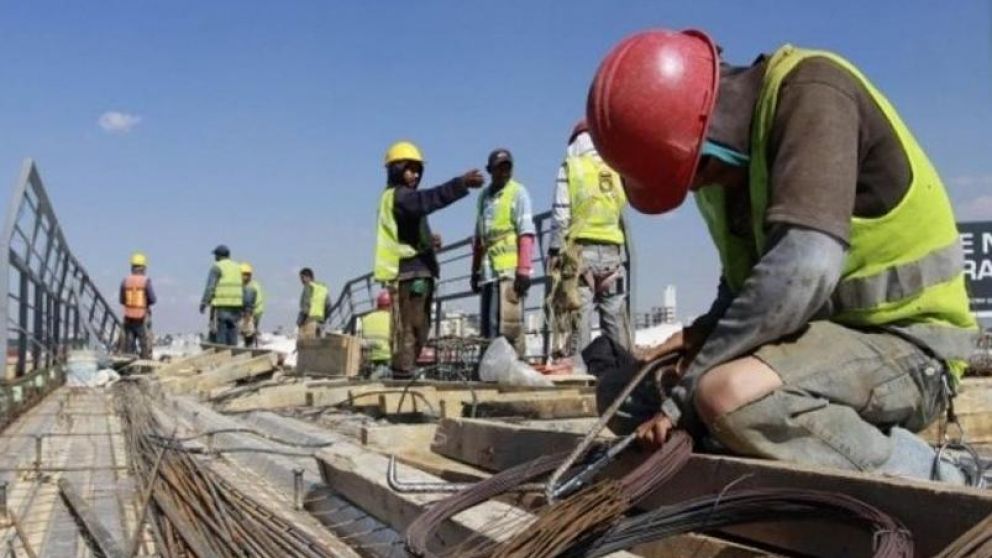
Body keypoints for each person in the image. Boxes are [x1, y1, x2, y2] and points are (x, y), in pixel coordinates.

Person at [586, 29, 980, 484]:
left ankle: (947, 477)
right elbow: (742, 283)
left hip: (907, 347)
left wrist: (686, 394)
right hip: (813, 341)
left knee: (726, 396)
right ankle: (757, 436)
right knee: (622, 396)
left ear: (702, 142)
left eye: (695, 175)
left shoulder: (815, 94)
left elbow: (801, 270)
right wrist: (702, 334)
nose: (698, 187)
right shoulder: (721, 166)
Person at [373, 141, 484, 378]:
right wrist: (460, 184)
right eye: (409, 169)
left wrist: (428, 241)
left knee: (418, 325)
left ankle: (404, 369)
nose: (415, 175)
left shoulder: (397, 198)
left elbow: (405, 232)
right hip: (410, 271)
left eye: (417, 170)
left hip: (412, 269)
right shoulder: (401, 196)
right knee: (412, 325)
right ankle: (404, 372)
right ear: (396, 169)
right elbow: (428, 200)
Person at [548, 120, 632, 364]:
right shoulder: (615, 168)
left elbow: (561, 213)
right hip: (613, 255)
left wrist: (555, 249)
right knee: (615, 318)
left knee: (579, 317)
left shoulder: (571, 167)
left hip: (580, 255)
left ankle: (582, 372)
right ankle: (624, 371)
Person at [471, 149, 536, 357]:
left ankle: (510, 365)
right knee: (488, 327)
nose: (504, 172)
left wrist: (523, 270)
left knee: (508, 325)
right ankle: (489, 365)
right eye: (499, 168)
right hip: (488, 271)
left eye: (508, 168)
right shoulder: (483, 197)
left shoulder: (518, 192)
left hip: (509, 273)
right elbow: (479, 237)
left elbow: (526, 232)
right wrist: (475, 270)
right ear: (490, 170)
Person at [199, 245, 244, 346]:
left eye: (215, 255)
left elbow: (210, 287)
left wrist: (204, 302)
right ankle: (233, 352)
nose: (215, 258)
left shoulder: (217, 267)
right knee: (232, 333)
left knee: (221, 335)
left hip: (222, 305)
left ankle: (223, 353)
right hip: (236, 306)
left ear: (219, 256)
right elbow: (242, 286)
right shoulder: (238, 267)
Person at [119, 252, 156, 358]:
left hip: (128, 317)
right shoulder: (146, 281)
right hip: (142, 317)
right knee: (145, 342)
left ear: (132, 267)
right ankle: (146, 361)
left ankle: (128, 361)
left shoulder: (125, 281)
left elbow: (121, 300)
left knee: (128, 343)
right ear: (143, 268)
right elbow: (153, 299)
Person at [360, 291, 392, 379]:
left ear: (378, 305)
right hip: (386, 357)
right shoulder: (392, 318)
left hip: (369, 357)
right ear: (389, 305)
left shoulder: (366, 318)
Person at [297, 268, 330, 340]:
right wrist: (324, 319)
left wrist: (301, 321)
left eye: (302, 277)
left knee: (306, 344)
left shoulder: (308, 286)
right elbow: (328, 304)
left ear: (308, 277)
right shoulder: (322, 287)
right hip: (320, 321)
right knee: (317, 344)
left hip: (309, 321)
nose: (301, 280)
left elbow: (305, 305)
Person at [241, 262, 265, 347]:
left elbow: (249, 304)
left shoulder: (249, 286)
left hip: (252, 312)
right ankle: (250, 344)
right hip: (257, 311)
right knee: (250, 331)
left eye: (245, 274)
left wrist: (247, 316)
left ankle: (249, 346)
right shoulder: (255, 284)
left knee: (248, 331)